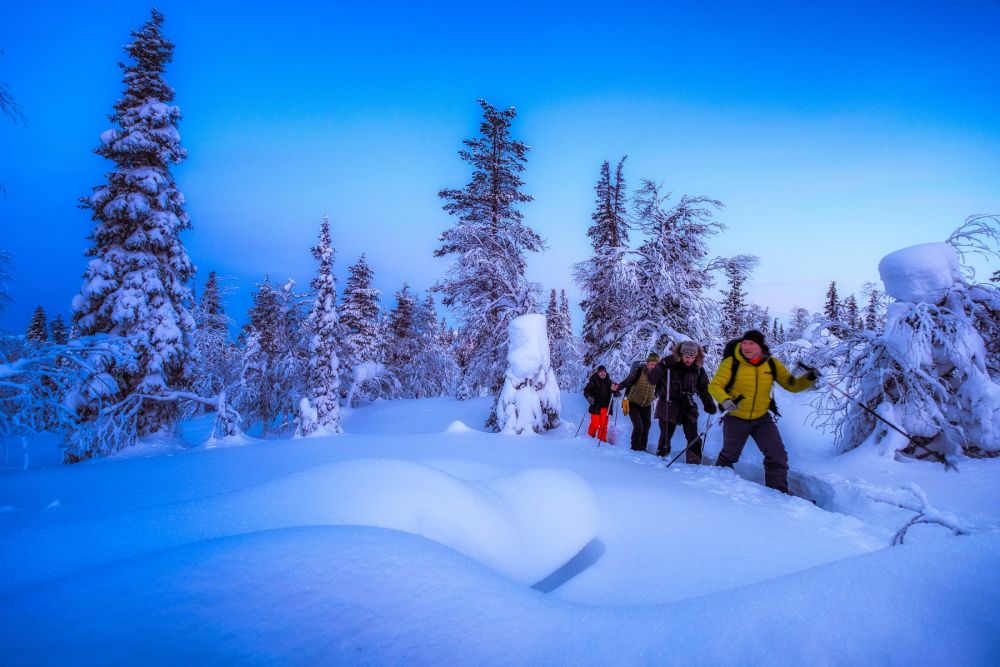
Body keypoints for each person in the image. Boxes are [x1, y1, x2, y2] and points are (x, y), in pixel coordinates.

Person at [708, 329, 817, 494]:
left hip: (762, 418)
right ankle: (718, 487)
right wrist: (726, 400)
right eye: (744, 343)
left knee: (777, 454)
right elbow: (715, 385)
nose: (746, 346)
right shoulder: (731, 363)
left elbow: (791, 385)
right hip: (736, 417)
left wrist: (809, 378)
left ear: (760, 346)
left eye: (751, 343)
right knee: (729, 455)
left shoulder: (771, 364)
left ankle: (778, 493)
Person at [654, 340, 717, 462]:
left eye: (692, 357)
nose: (689, 360)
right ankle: (661, 462)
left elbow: (704, 388)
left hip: (687, 405)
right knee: (666, 436)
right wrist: (661, 365)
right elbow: (652, 380)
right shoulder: (669, 365)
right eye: (687, 356)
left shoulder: (698, 369)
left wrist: (708, 403)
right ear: (681, 355)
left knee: (693, 436)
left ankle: (693, 464)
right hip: (668, 404)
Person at [619, 352, 664, 452]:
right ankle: (635, 450)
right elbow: (627, 382)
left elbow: (660, 389)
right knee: (638, 427)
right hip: (633, 403)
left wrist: (654, 396)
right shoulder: (638, 371)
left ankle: (642, 450)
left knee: (646, 427)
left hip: (646, 405)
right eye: (652, 364)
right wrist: (617, 387)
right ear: (647, 363)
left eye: (656, 365)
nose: (654, 367)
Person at [582, 366, 618, 442]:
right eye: (601, 372)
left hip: (605, 408)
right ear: (598, 373)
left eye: (604, 372)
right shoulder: (593, 381)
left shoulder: (609, 382)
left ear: (606, 373)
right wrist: (589, 398)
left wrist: (616, 391)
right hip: (595, 406)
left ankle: (602, 441)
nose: (603, 373)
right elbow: (586, 391)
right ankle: (589, 439)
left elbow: (615, 392)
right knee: (594, 424)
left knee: (603, 426)